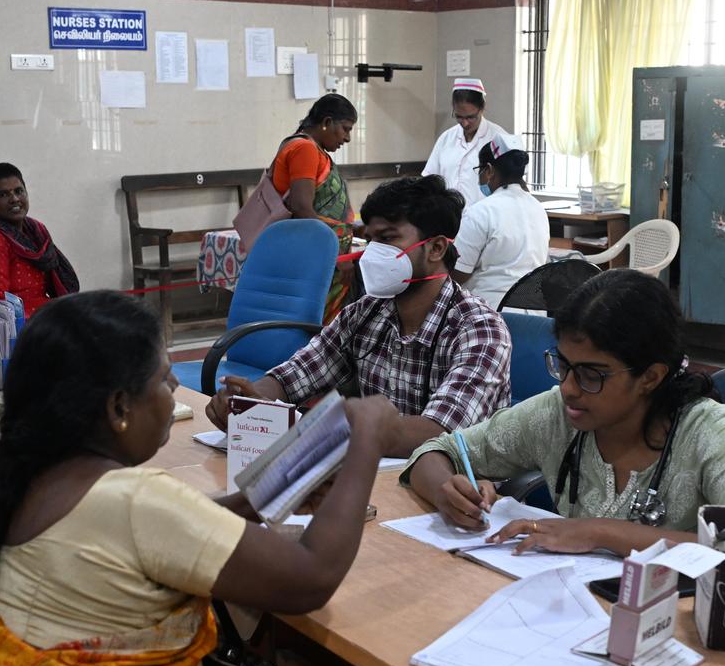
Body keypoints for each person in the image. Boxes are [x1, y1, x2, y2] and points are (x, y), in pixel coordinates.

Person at [0, 290, 394, 666]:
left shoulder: (9, 477)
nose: (174, 393)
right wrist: (367, 439)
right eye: (165, 380)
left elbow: (141, 534)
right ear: (119, 408)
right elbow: (311, 576)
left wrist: (254, 497)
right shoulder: (136, 502)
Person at [404, 269, 725, 557]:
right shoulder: (556, 414)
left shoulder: (707, 430)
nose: (568, 387)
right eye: (563, 365)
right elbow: (436, 451)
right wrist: (446, 493)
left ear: (650, 376)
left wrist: (601, 533)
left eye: (591, 375)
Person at [207, 175, 511, 458]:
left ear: (435, 248)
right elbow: (297, 374)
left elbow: (439, 434)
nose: (373, 253)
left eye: (387, 239)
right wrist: (251, 401)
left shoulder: (479, 329)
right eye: (370, 240)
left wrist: (317, 431)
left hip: (454, 487)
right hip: (373, 470)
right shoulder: (365, 313)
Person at [269, 93, 358, 323]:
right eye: (345, 129)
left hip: (318, 250)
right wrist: (337, 253)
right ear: (327, 122)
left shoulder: (310, 148)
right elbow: (302, 208)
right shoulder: (305, 149)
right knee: (313, 323)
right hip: (316, 254)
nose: (347, 138)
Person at [0, 163, 79, 317]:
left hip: (41, 314)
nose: (15, 199)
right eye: (3, 195)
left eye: (19, 191)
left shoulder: (36, 231)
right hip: (6, 323)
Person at [451, 134, 549, 310]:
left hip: (490, 312)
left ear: (489, 170)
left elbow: (459, 273)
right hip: (534, 314)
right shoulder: (538, 208)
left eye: (479, 170)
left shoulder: (481, 212)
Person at [422, 78, 511, 207]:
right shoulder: (446, 138)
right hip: (449, 215)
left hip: (485, 216)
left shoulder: (499, 139)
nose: (465, 123)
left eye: (471, 117)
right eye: (459, 116)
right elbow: (431, 179)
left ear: (482, 108)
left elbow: (510, 186)